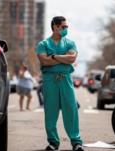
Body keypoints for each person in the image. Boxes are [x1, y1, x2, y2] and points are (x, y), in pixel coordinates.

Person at [36, 16, 84, 151]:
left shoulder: (70, 43)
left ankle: (76, 142)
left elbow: (72, 58)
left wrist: (54, 56)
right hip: (49, 80)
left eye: (66, 27)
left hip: (66, 79)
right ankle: (53, 142)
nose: (66, 29)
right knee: (50, 112)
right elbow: (44, 61)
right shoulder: (43, 44)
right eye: (63, 27)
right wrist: (63, 59)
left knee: (71, 110)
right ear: (55, 27)